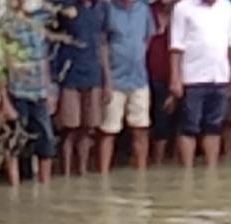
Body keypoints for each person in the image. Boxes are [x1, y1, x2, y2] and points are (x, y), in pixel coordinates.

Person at [0, 0, 55, 185]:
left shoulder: (41, 20)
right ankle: (14, 187)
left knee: (46, 142)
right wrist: (4, 99)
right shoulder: (6, 24)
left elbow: (44, 58)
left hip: (39, 92)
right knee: (14, 142)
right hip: (17, 92)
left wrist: (49, 90)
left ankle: (44, 186)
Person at [169, 0, 231, 167]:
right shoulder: (183, 7)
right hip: (192, 77)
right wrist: (175, 77)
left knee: (214, 126)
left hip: (219, 76)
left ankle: (211, 171)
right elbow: (176, 46)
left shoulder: (226, 7)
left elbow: (229, 45)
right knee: (189, 127)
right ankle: (187, 171)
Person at [55, 0, 111, 175]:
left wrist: (107, 81)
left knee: (88, 127)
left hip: (93, 75)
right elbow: (51, 38)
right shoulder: (65, 7)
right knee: (69, 128)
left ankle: (83, 171)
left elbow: (103, 44)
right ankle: (65, 172)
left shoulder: (102, 8)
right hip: (70, 74)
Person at [99, 0, 154, 171]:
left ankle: (141, 174)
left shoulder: (143, 9)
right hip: (114, 80)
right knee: (109, 130)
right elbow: (101, 44)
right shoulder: (107, 9)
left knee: (141, 129)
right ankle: (103, 175)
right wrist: (106, 80)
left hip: (139, 79)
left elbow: (148, 37)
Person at [147, 0, 176, 164]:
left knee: (178, 122)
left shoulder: (182, 12)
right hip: (147, 75)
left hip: (177, 75)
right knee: (157, 122)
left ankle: (173, 166)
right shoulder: (147, 11)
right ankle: (156, 164)